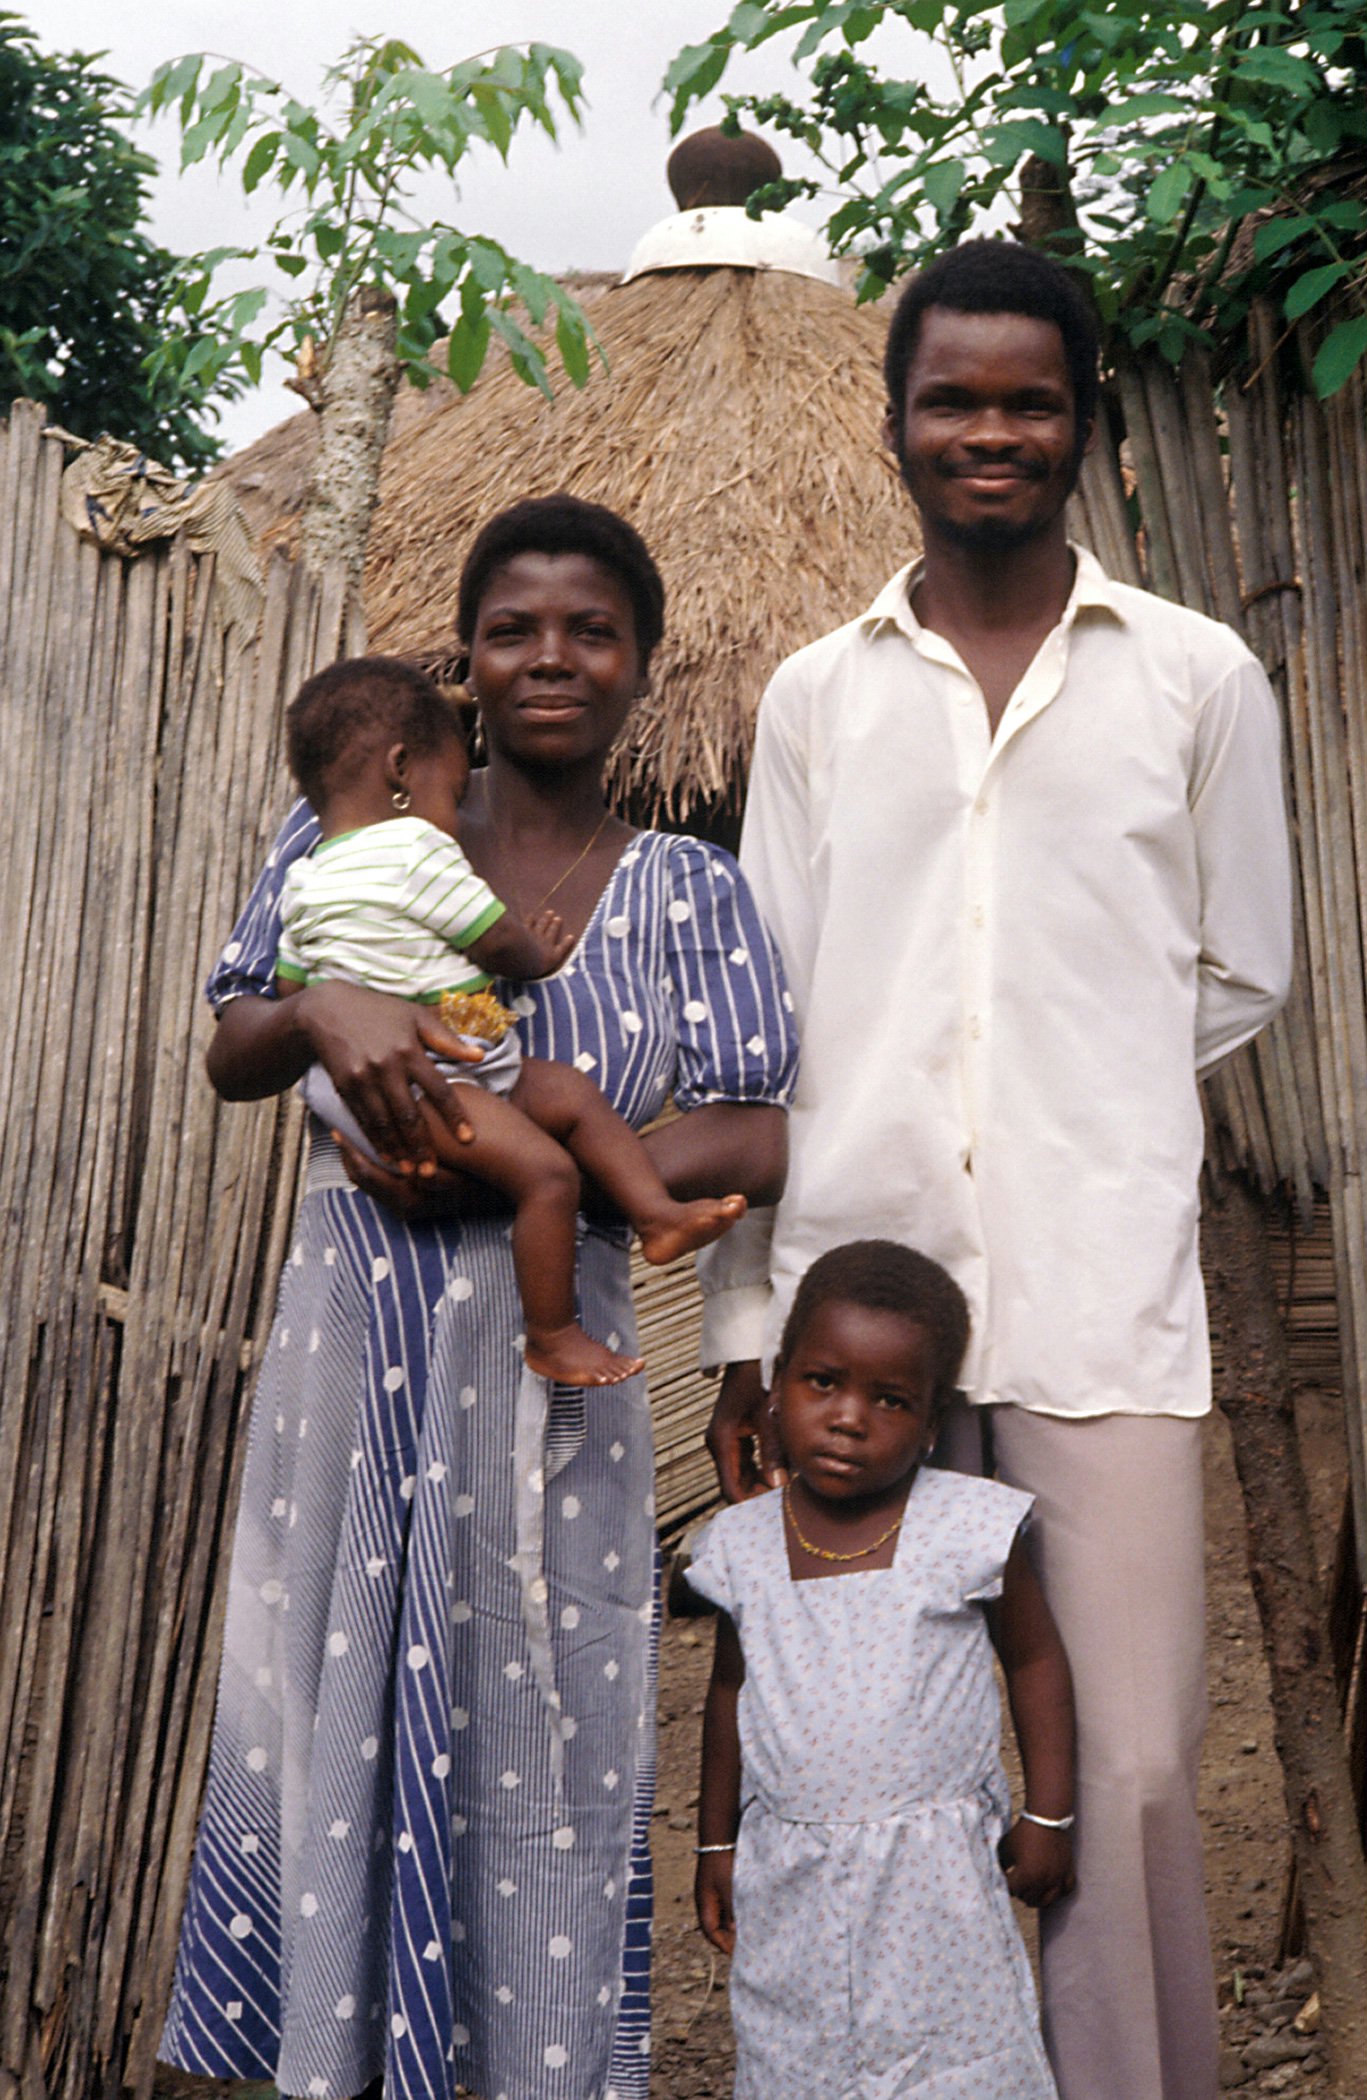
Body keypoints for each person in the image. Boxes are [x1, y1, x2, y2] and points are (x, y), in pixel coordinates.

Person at [700, 241, 1293, 2100]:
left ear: (1084, 423)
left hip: (1093, 1296)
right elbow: (776, 1017)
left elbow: (1240, 967)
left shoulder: (1192, 681)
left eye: (1026, 399)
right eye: (950, 398)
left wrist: (1075, 1089)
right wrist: (744, 1326)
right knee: (872, 1768)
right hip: (859, 1317)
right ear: (891, 430)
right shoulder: (814, 698)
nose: (987, 431)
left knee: (1114, 1771)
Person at [159, 495, 797, 2100]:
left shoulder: (688, 890)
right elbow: (234, 1042)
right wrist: (321, 1009)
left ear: (646, 661)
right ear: (464, 662)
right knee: (332, 1677)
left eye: (590, 629)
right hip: (354, 1350)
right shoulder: (340, 847)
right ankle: (325, 2059)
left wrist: (543, 1155)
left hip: (547, 1369)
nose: (550, 658)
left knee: (554, 1717)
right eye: (512, 629)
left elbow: (764, 1117)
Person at [273, 656, 747, 1386]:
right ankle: (553, 1333)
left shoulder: (305, 879)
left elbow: (288, 991)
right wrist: (541, 951)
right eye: (454, 787)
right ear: (402, 770)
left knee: (561, 1092)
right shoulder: (415, 848)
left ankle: (656, 1217)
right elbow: (493, 939)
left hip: (376, 1087)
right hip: (431, 1084)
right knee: (549, 1173)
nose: (458, 809)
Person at [689, 1240, 1074, 2100]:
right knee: (797, 2059)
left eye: (889, 1399)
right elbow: (727, 1697)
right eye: (821, 1382)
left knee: (957, 2063)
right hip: (789, 1878)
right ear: (776, 1383)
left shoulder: (967, 1529)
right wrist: (716, 1841)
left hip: (935, 1883)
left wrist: (1049, 1814)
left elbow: (1036, 1661)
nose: (848, 1416)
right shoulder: (740, 1546)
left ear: (932, 1424)